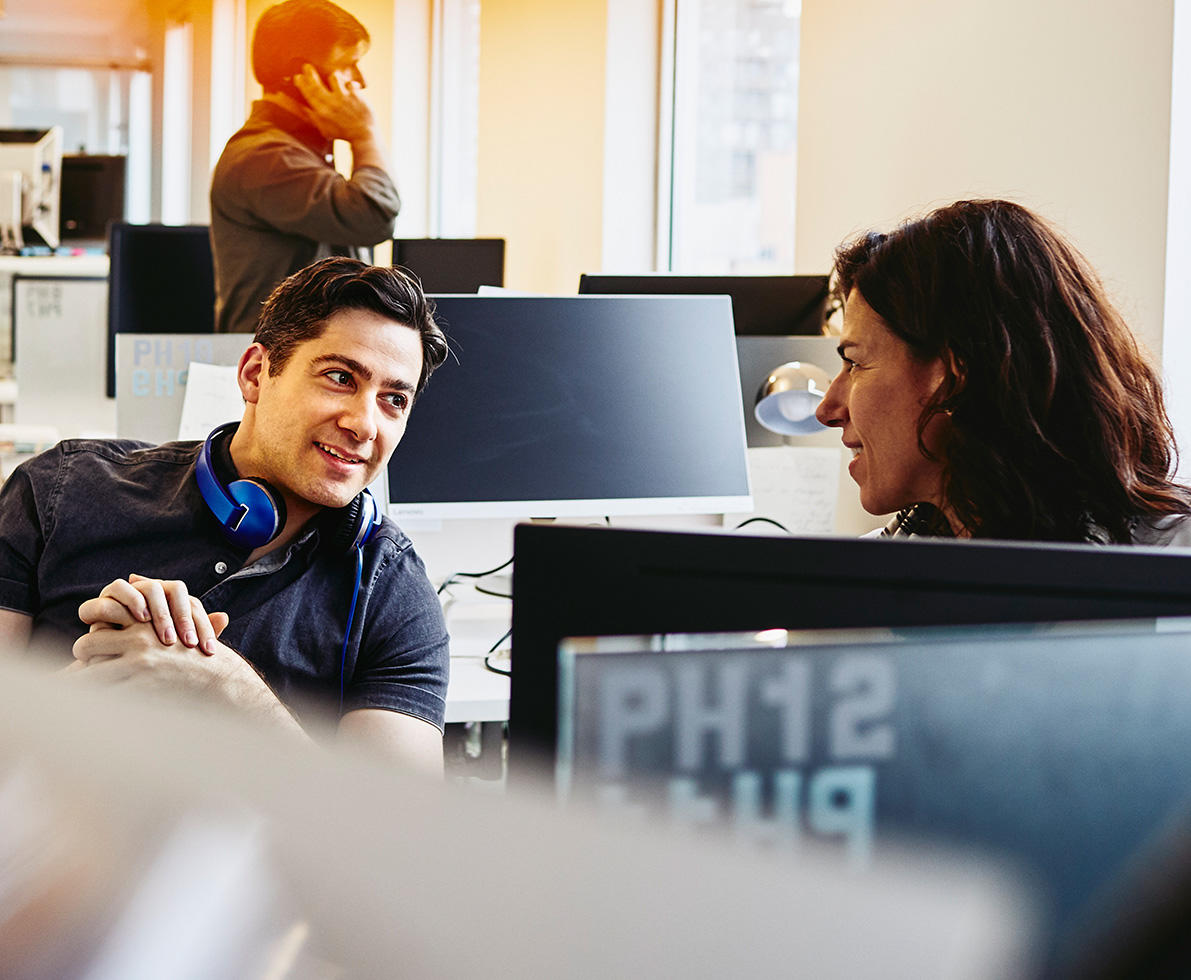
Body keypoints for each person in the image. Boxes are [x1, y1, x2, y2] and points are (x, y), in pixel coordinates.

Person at [0, 257, 451, 773]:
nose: (364, 424)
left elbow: (395, 831)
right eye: (339, 377)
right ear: (256, 374)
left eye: (394, 399)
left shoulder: (391, 592)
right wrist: (99, 681)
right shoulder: (61, 490)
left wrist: (225, 687)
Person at [815, 198, 1191, 545]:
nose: (827, 410)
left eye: (855, 363)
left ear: (952, 376)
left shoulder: (1175, 559)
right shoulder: (869, 570)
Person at [210, 0, 400, 334]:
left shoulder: (301, 151)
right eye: (349, 65)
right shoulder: (264, 157)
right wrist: (364, 134)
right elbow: (374, 216)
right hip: (276, 372)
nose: (360, 81)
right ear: (300, 76)